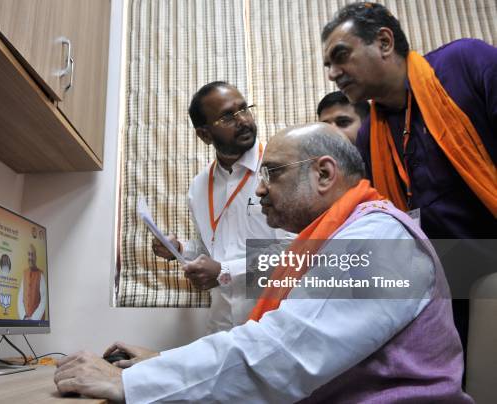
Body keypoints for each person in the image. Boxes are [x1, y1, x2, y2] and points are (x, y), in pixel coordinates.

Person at [54, 124, 470, 403]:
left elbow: (284, 355)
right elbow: (277, 339)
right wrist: (162, 362)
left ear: (324, 174)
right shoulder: (335, 237)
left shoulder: (378, 240)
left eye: (272, 173)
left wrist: (128, 382)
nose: (261, 190)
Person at [321, 0, 497, 364]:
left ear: (384, 42)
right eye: (328, 65)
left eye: (341, 56)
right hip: (446, 281)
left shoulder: (464, 63)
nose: (333, 73)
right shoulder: (372, 130)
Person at [151, 81, 291, 333]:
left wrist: (225, 271)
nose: (244, 121)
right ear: (204, 135)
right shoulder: (199, 186)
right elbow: (211, 249)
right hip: (222, 327)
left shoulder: (281, 168)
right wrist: (179, 249)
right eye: (228, 116)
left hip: (275, 326)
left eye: (244, 109)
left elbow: (296, 251)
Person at [17, 244, 46, 320]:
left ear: (35, 257)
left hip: (37, 322)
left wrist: (33, 318)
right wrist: (24, 316)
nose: (30, 257)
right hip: (25, 321)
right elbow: (20, 298)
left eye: (32, 254)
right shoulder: (24, 274)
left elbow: (44, 299)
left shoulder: (40, 275)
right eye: (29, 254)